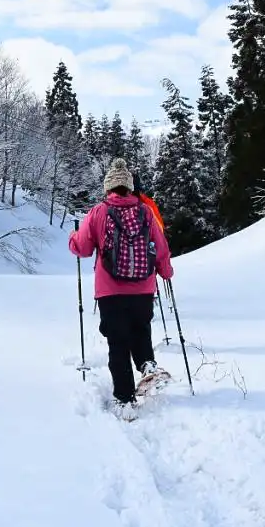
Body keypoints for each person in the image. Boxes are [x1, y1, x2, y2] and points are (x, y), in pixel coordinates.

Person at [69, 158, 174, 420]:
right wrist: (166, 272)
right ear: (129, 187)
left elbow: (82, 247)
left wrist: (73, 238)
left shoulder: (98, 212)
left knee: (118, 343)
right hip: (143, 287)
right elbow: (160, 248)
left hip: (110, 290)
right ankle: (148, 365)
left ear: (108, 188)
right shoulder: (146, 212)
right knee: (141, 330)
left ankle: (125, 401)